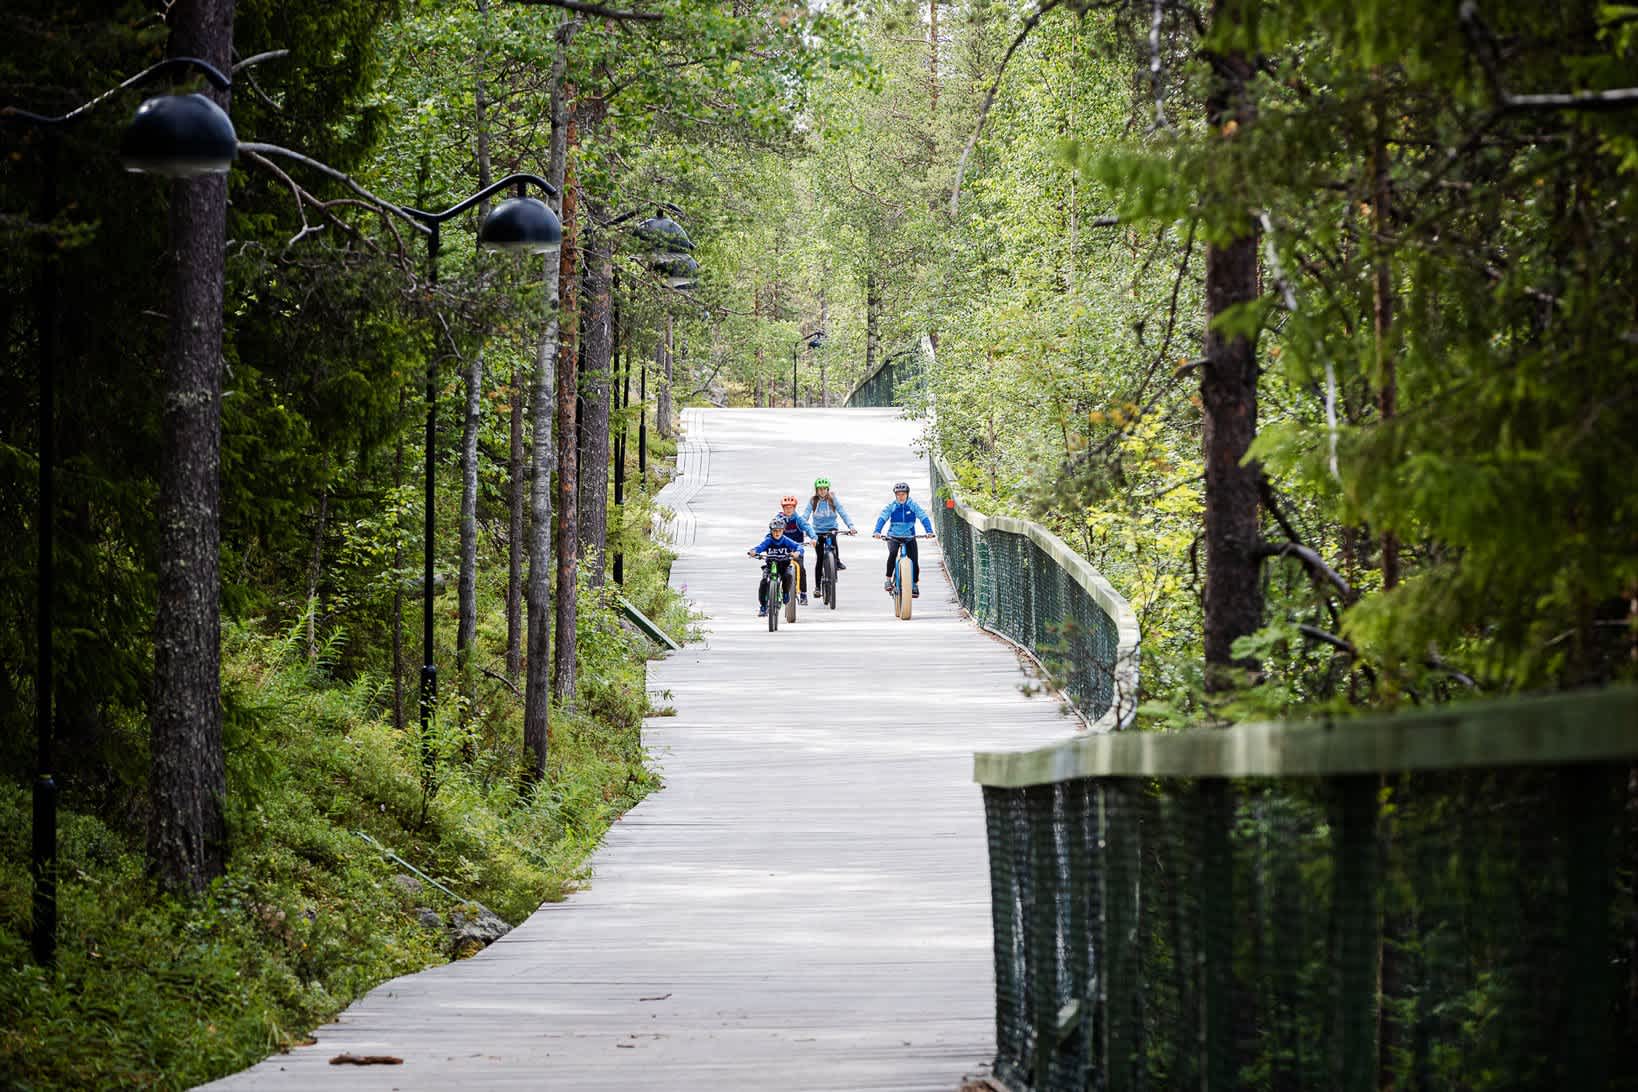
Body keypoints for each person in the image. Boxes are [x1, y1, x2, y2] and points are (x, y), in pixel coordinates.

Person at [872, 480, 934, 597]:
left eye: (903, 494)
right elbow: (882, 517)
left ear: (907, 494)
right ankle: (888, 579)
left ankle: (914, 584)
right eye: (898, 494)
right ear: (895, 495)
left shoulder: (913, 505)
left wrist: (929, 531)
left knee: (914, 560)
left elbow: (923, 516)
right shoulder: (892, 506)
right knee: (893, 553)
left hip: (909, 537)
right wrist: (877, 531)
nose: (901, 497)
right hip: (893, 536)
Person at [747, 516, 803, 617]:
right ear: (771, 531)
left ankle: (786, 593)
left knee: (788, 576)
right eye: (774, 531)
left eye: (779, 531)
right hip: (770, 565)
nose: (777, 533)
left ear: (783, 531)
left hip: (784, 565)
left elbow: (798, 546)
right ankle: (763, 606)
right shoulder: (768, 540)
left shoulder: (786, 540)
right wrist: (754, 551)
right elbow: (760, 547)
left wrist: (797, 552)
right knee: (764, 582)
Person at [800, 477, 856, 573]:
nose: (822, 491)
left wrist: (851, 526)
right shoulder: (813, 501)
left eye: (824, 488)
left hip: (831, 528)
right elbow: (805, 515)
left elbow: (842, 512)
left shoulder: (832, 499)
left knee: (833, 540)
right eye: (820, 489)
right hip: (817, 530)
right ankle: (818, 582)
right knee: (820, 556)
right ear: (816, 490)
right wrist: (802, 529)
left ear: (827, 489)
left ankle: (837, 561)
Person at [774, 494, 817, 605]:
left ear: (794, 508)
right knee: (777, 570)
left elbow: (808, 528)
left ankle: (803, 594)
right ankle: (776, 593)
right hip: (782, 550)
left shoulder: (798, 519)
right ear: (783, 509)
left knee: (801, 569)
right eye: (786, 507)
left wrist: (813, 538)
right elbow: (771, 531)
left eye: (791, 507)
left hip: (797, 549)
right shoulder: (779, 519)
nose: (789, 510)